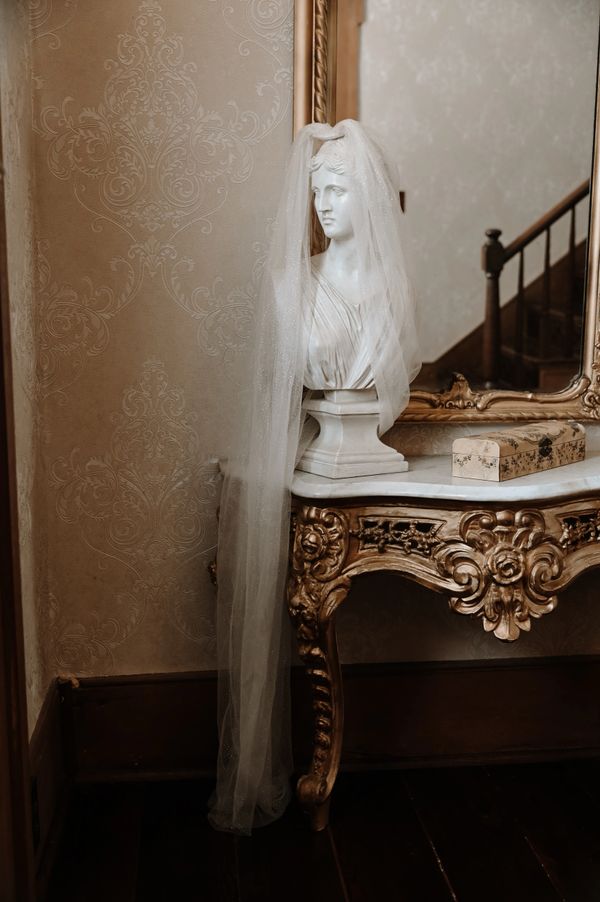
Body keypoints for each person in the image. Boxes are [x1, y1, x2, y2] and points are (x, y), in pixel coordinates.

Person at [208, 120, 420, 834]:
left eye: (339, 189)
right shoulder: (291, 286)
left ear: (370, 196)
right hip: (324, 454)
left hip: (366, 454)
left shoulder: (396, 288)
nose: (323, 204)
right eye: (317, 190)